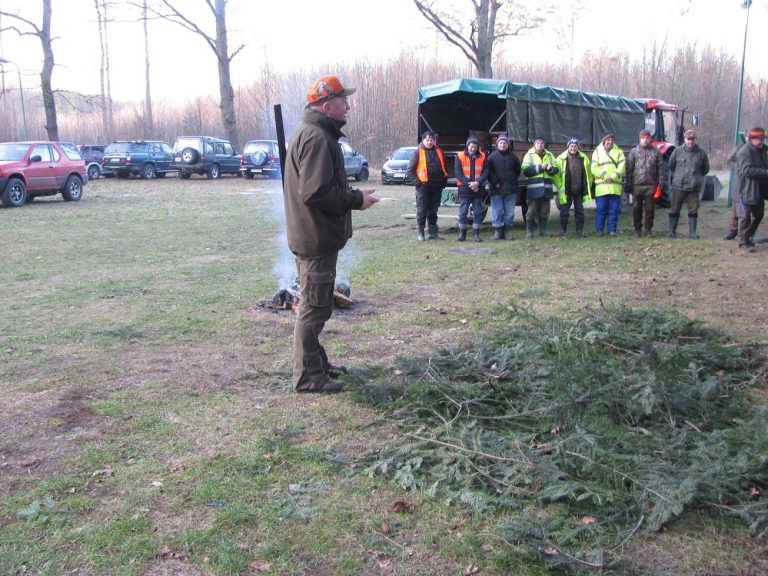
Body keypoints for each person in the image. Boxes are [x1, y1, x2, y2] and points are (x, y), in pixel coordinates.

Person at [283, 75, 379, 393]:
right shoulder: (317, 138)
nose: (348, 105)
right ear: (328, 105)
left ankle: (316, 365)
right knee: (313, 308)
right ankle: (308, 377)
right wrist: (356, 200)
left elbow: (321, 187)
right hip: (316, 237)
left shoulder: (316, 134)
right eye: (343, 100)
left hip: (314, 235)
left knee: (318, 304)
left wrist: (350, 193)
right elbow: (316, 193)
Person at [667, 129, 710, 239]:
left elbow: (705, 169)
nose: (690, 142)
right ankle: (672, 231)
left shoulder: (701, 153)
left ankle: (692, 233)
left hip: (694, 187)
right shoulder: (677, 151)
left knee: (693, 210)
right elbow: (671, 165)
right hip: (678, 186)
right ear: (685, 139)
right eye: (688, 139)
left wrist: (696, 177)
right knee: (675, 209)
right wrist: (678, 176)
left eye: (692, 139)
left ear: (695, 140)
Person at [407, 130, 448, 241]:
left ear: (434, 141)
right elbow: (410, 171)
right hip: (423, 187)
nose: (429, 142)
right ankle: (421, 233)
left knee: (433, 211)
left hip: (437, 187)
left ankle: (433, 233)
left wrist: (444, 181)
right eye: (427, 140)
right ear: (423, 140)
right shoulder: (417, 152)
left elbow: (444, 167)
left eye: (431, 140)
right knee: (422, 211)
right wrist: (418, 183)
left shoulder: (439, 151)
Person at [733, 127, 768, 253]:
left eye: (762, 139)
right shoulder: (744, 152)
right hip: (746, 189)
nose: (761, 142)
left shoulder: (762, 151)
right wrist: (766, 173)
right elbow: (747, 170)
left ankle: (748, 236)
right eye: (758, 139)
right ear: (751, 139)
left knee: (759, 215)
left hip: (759, 189)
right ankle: (742, 242)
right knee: (745, 217)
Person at [625, 129, 662, 237]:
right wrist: (628, 184)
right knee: (636, 208)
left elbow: (661, 169)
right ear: (640, 139)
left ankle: (648, 230)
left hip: (651, 185)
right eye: (643, 138)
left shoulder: (656, 151)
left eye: (647, 138)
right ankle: (637, 229)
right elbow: (629, 169)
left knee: (650, 209)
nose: (645, 140)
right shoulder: (633, 152)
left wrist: (660, 185)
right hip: (637, 185)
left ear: (650, 139)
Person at [521, 137, 559, 238]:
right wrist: (540, 167)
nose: (540, 144)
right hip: (534, 188)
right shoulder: (529, 155)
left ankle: (543, 231)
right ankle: (529, 232)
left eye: (542, 143)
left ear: (544, 145)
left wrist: (551, 169)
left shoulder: (550, 155)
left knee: (545, 211)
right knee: (531, 212)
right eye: (538, 143)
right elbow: (525, 170)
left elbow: (556, 169)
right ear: (534, 145)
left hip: (546, 188)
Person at [554, 137, 591, 237]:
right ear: (568, 147)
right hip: (566, 190)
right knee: (564, 212)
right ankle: (563, 231)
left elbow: (589, 173)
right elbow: (555, 174)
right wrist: (559, 185)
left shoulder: (584, 158)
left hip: (578, 191)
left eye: (575, 146)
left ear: (578, 147)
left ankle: (579, 231)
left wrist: (588, 185)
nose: (573, 148)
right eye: (571, 146)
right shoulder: (560, 158)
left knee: (579, 212)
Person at [486, 133, 521, 240]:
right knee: (497, 211)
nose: (502, 145)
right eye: (501, 143)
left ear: (508, 145)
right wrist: (494, 182)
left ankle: (507, 231)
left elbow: (517, 171)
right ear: (497, 144)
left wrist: (511, 180)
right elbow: (487, 172)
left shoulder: (513, 157)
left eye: (504, 143)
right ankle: (498, 232)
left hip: (511, 190)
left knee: (509, 212)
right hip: (496, 190)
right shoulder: (491, 157)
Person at [590, 133, 626, 236]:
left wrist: (613, 177)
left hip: (615, 187)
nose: (610, 142)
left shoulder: (619, 151)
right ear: (604, 141)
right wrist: (606, 176)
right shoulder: (597, 152)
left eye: (611, 140)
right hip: (602, 188)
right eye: (608, 140)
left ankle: (612, 230)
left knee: (614, 211)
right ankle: (599, 230)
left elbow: (622, 167)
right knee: (601, 210)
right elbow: (594, 168)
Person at [455, 136, 489, 242]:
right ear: (467, 146)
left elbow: (485, 172)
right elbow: (458, 173)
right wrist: (470, 183)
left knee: (478, 212)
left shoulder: (483, 156)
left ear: (477, 147)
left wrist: (477, 183)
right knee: (463, 212)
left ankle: (476, 234)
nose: (473, 148)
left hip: (478, 189)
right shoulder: (459, 156)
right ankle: (462, 235)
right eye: (471, 146)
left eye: (475, 147)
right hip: (465, 189)